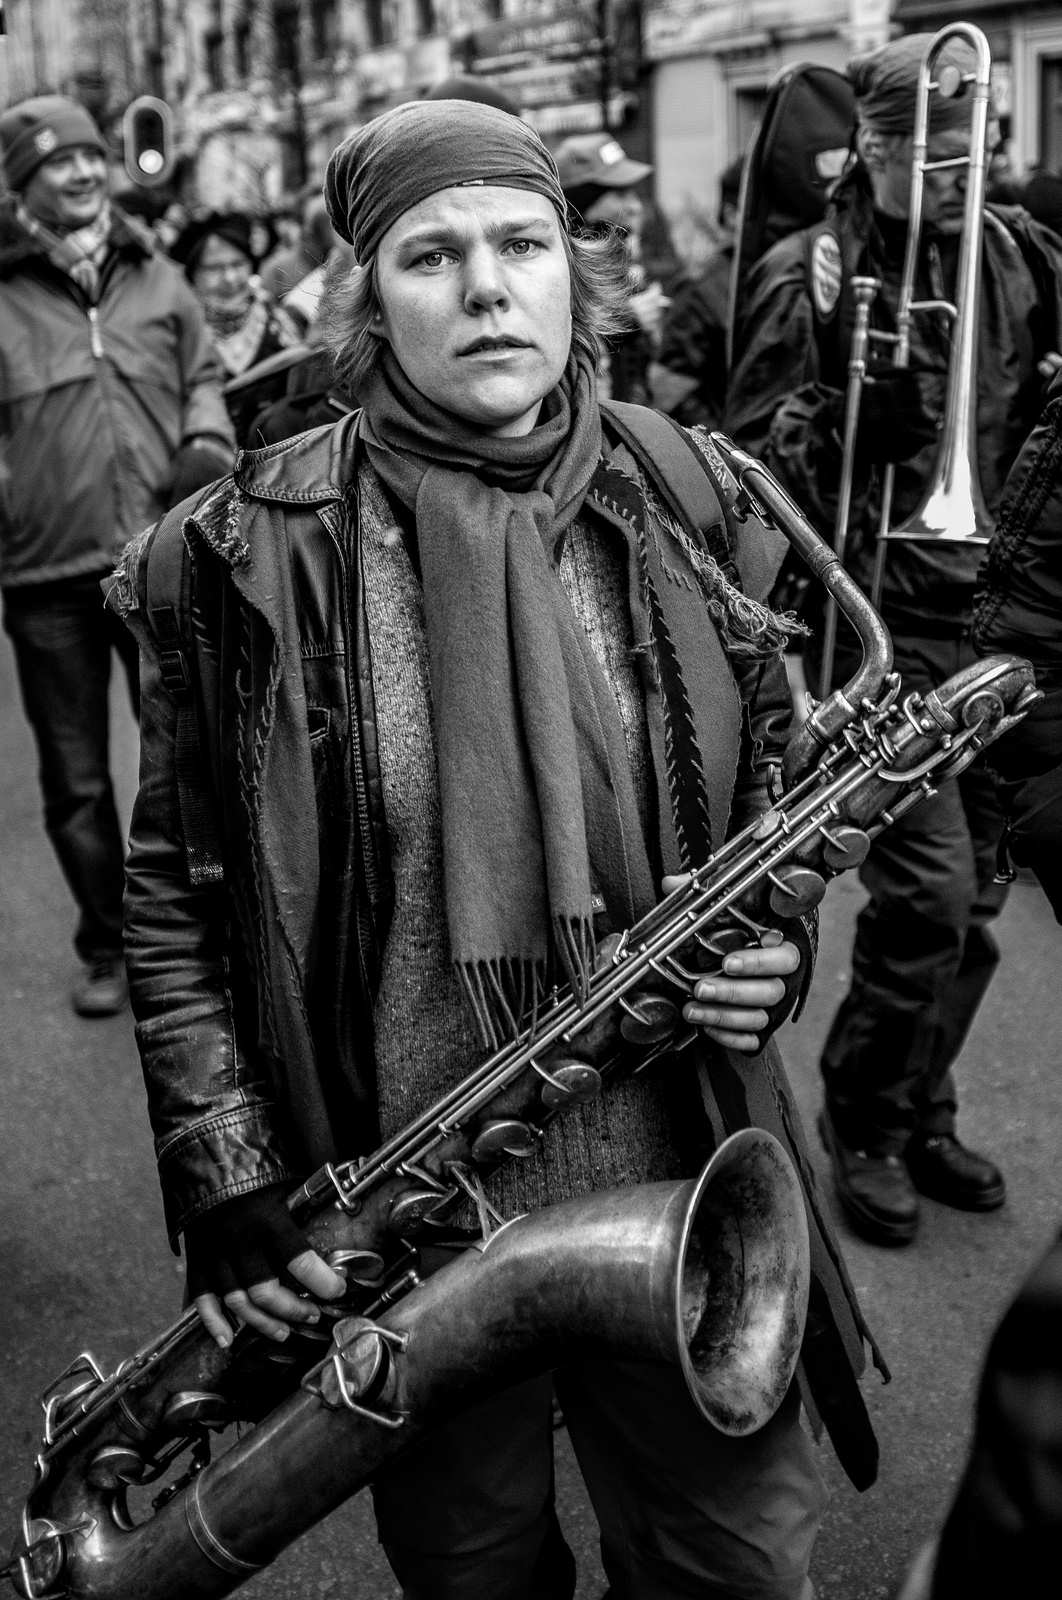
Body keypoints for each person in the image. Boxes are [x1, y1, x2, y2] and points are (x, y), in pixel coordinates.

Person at [108, 98, 885, 1599]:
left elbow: (776, 801)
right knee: (472, 1575)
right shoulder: (230, 556)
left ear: (571, 277)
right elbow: (175, 899)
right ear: (366, 304)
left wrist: (772, 959)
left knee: (732, 1564)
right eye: (430, 255)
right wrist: (227, 1175)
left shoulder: (693, 490)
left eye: (522, 244)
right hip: (411, 1227)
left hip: (686, 1184)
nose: (484, 287)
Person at [725, 32, 1062, 1247]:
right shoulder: (806, 270)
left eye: (977, 145)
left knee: (980, 902)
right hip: (886, 620)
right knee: (929, 888)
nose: (964, 169)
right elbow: (750, 480)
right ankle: (861, 1117)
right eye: (935, 149)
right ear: (871, 147)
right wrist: (849, 438)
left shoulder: (1022, 259)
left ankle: (920, 1102)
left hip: (1001, 620)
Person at [0, 94, 234, 1018]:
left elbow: (203, 372)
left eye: (92, 157)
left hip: (153, 557)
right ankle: (108, 946)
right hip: (43, 571)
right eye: (59, 162)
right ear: (24, 181)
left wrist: (206, 447)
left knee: (186, 761)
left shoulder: (156, 275)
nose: (85, 173)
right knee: (78, 777)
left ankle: (196, 935)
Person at [169, 210, 304, 447]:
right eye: (214, 268)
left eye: (238, 264)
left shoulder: (279, 325)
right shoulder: (179, 335)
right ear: (192, 275)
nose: (230, 278)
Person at [553, 129, 668, 404]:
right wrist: (627, 317)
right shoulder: (556, 264)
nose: (635, 206)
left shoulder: (625, 254)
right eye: (620, 195)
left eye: (634, 194)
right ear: (584, 202)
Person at [653, 156, 744, 429]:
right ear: (731, 216)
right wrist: (723, 450)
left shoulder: (773, 275)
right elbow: (669, 390)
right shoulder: (702, 288)